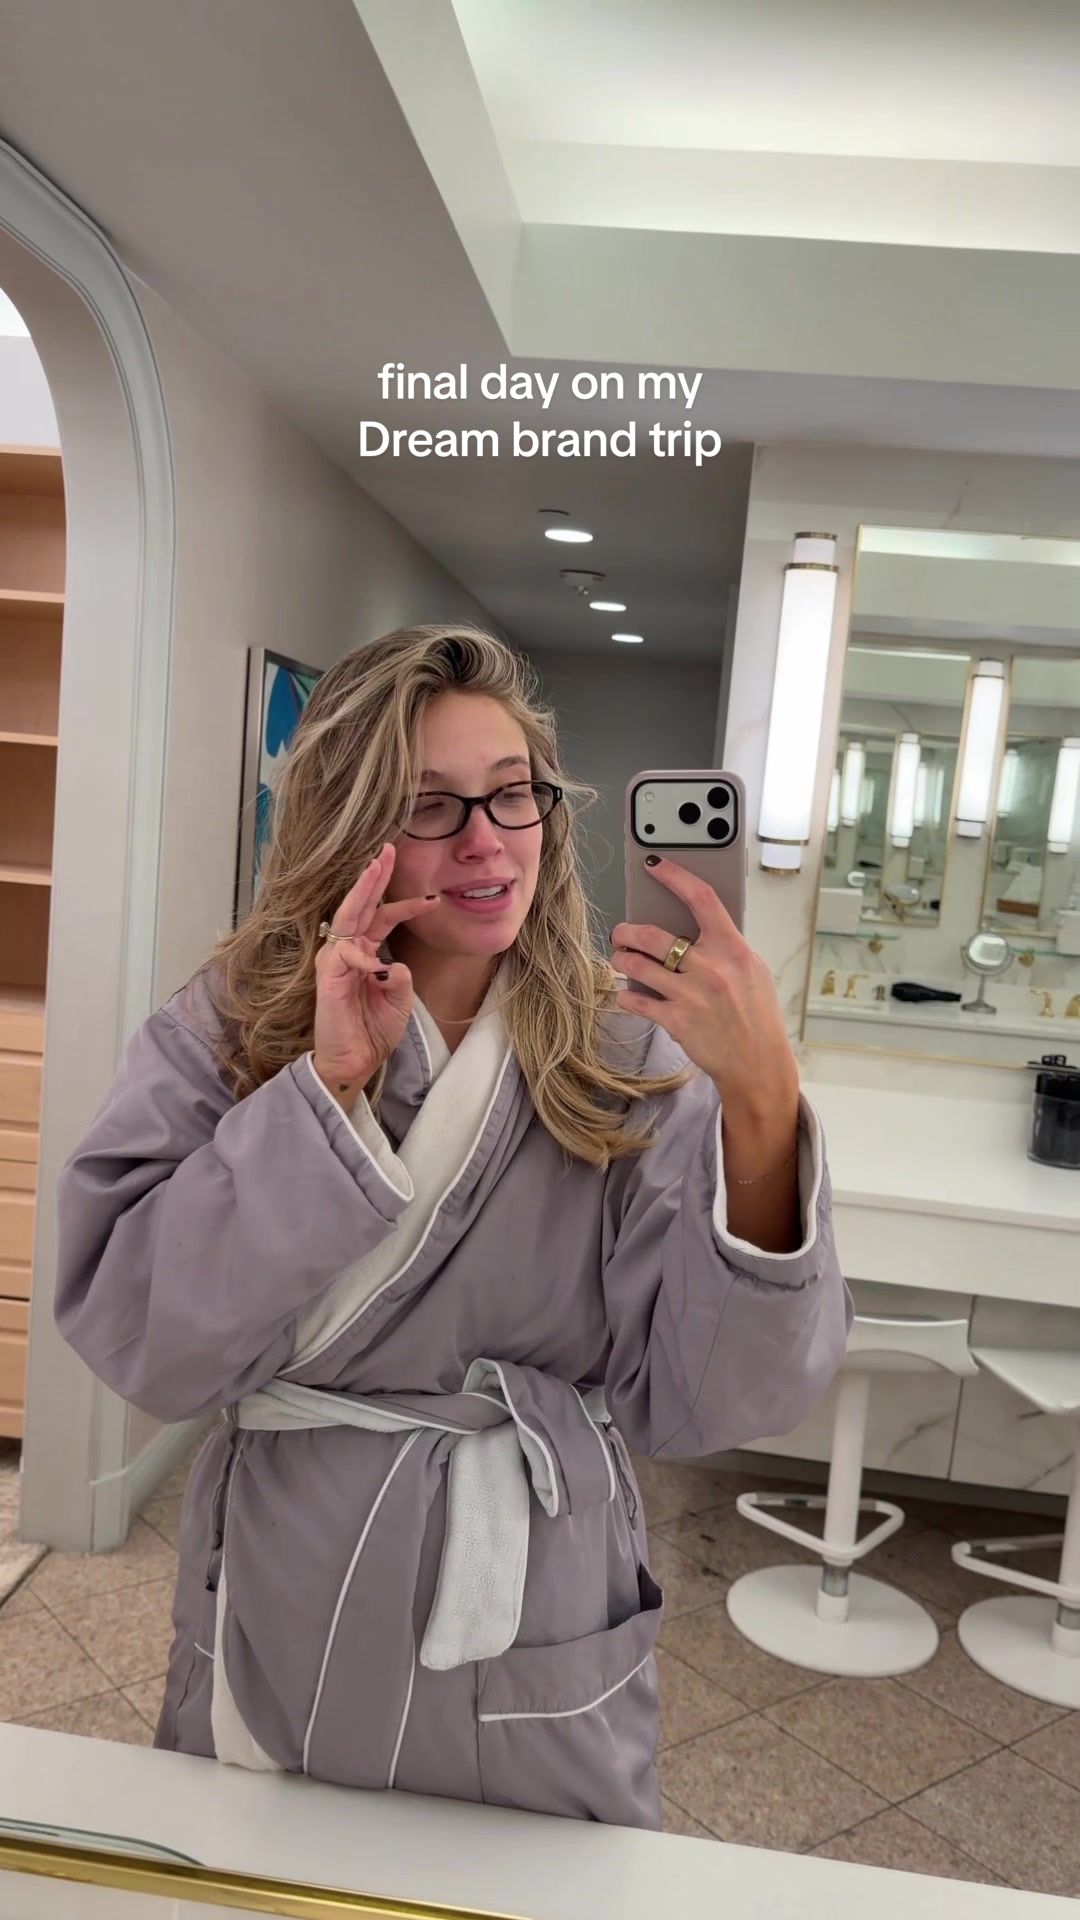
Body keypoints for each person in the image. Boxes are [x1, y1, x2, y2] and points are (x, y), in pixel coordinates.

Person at [55, 624, 850, 1827]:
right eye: (431, 806)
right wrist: (328, 1091)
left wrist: (761, 1103)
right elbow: (145, 1347)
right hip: (289, 1581)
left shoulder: (628, 1056)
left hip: (528, 1592)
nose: (487, 841)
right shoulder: (229, 1028)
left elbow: (718, 1403)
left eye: (512, 793)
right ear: (348, 824)